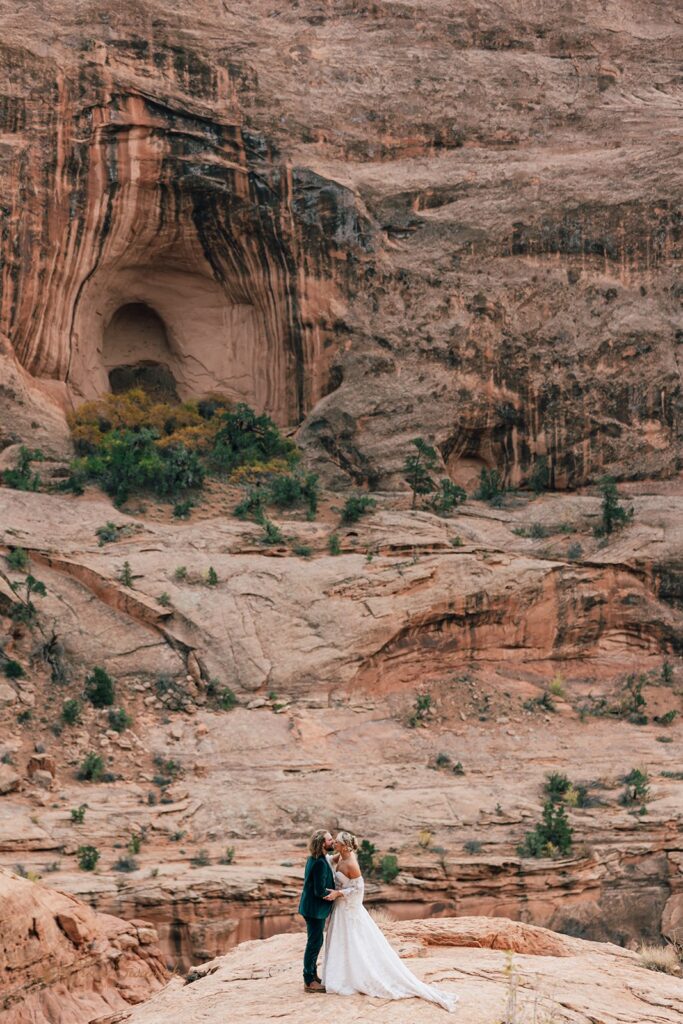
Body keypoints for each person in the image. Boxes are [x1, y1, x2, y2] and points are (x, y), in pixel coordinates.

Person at [322, 831, 458, 1012]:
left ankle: (352, 977)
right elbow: (329, 860)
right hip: (340, 909)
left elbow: (358, 890)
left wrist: (338, 893)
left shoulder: (352, 864)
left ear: (345, 847)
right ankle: (341, 974)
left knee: (353, 942)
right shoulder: (340, 856)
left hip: (348, 910)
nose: (335, 844)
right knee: (342, 942)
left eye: (338, 842)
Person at [298, 828, 335, 992]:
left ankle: (312, 975)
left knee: (316, 941)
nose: (332, 841)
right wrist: (337, 895)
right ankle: (309, 981)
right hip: (314, 910)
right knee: (314, 943)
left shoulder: (315, 858)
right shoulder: (319, 862)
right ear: (322, 843)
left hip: (309, 907)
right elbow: (319, 891)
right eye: (329, 839)